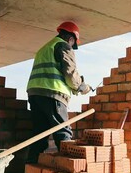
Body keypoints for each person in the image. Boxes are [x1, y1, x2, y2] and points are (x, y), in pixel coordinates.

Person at [26, 21, 91, 163]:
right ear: (71, 38)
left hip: (35, 94)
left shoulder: (44, 48)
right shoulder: (63, 45)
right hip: (52, 94)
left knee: (39, 136)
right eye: (73, 42)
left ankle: (31, 171)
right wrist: (82, 86)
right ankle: (68, 169)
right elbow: (70, 74)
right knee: (63, 133)